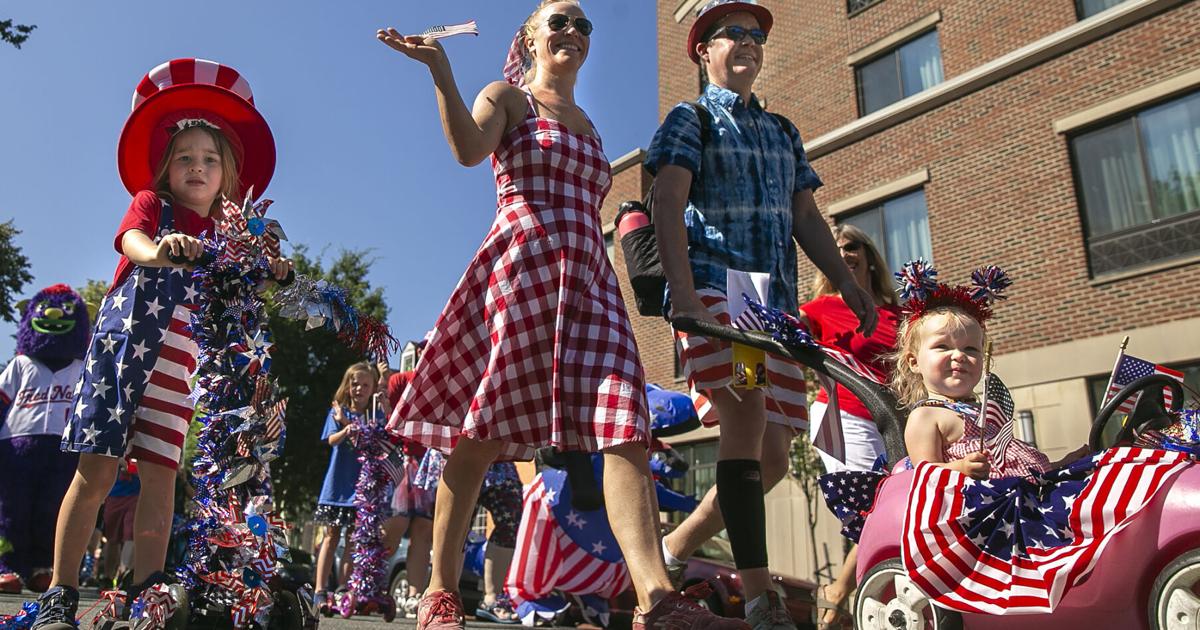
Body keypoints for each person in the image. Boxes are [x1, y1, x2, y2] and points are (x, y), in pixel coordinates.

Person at [377, 2, 746, 628]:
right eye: (559, 22)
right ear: (530, 39)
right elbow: (469, 150)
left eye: (583, 25)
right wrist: (441, 71)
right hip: (522, 268)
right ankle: (441, 589)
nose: (573, 31)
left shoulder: (589, 126)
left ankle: (656, 599)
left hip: (590, 281)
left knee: (625, 424)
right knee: (484, 430)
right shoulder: (508, 97)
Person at [31, 58, 289, 630]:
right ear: (165, 168)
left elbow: (260, 279)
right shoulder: (155, 209)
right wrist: (161, 248)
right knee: (96, 472)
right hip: (123, 357)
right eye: (184, 158)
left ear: (230, 175)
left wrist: (276, 270)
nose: (197, 167)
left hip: (180, 368)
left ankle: (150, 591)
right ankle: (61, 590)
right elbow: (132, 241)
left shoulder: (231, 235)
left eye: (210, 159)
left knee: (160, 474)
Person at [646, 2, 876, 628]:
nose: (748, 43)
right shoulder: (689, 119)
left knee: (773, 456)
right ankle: (758, 597)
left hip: (773, 306)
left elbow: (805, 216)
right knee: (743, 420)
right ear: (704, 52)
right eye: (733, 35)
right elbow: (667, 201)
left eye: (756, 36)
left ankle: (672, 547)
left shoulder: (783, 130)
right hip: (726, 292)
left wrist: (850, 288)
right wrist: (685, 291)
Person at [799, 225, 900, 628]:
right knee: (875, 507)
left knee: (894, 508)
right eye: (837, 247)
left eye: (853, 245)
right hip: (842, 415)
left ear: (870, 254)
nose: (845, 252)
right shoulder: (819, 308)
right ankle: (841, 591)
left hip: (894, 422)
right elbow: (779, 329)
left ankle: (852, 594)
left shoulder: (899, 311)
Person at [0, 285, 89, 594]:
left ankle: (41, 565)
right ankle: (7, 564)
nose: (52, 318)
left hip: (63, 451)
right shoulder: (21, 365)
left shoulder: (82, 369)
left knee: (51, 509)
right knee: (12, 508)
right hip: (15, 446)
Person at [313, 362, 386, 612]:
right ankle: (320, 590)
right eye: (355, 383)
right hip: (337, 487)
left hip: (362, 490)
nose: (359, 389)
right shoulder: (338, 411)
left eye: (365, 385)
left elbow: (376, 443)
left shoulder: (375, 417)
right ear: (348, 385)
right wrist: (346, 426)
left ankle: (343, 588)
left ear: (372, 388)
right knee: (331, 536)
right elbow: (332, 440)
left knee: (353, 541)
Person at [382, 367, 435, 619]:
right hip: (406, 460)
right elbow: (390, 406)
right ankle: (371, 582)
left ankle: (415, 595)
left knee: (424, 530)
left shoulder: (444, 381)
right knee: (397, 522)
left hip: (430, 462)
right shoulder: (403, 380)